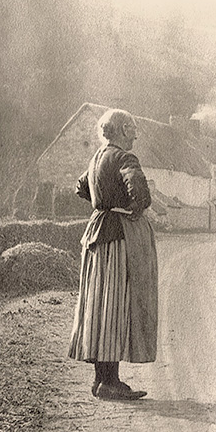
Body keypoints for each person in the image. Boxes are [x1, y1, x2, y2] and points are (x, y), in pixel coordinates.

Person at [68, 108, 158, 400]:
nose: (135, 133)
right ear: (120, 129)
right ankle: (111, 382)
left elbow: (81, 187)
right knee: (116, 306)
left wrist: (105, 203)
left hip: (97, 232)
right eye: (132, 128)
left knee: (100, 307)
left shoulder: (97, 158)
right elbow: (141, 195)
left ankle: (101, 381)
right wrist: (133, 208)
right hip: (119, 236)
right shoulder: (125, 158)